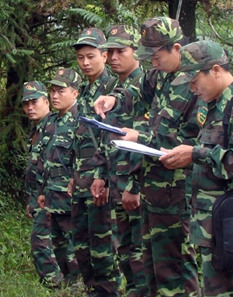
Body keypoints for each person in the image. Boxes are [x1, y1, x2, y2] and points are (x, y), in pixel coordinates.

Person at [94, 17, 201, 296]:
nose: (152, 63)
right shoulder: (159, 76)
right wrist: (114, 99)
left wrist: (139, 138)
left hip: (178, 190)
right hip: (154, 187)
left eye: (156, 57)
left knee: (177, 265)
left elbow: (193, 140)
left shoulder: (195, 82)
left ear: (176, 48)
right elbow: (136, 92)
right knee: (153, 266)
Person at [160, 40, 233, 296]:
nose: (192, 89)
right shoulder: (214, 106)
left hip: (230, 222)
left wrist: (196, 154)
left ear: (215, 70)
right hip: (210, 223)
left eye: (195, 81)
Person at [70, 28, 120, 297]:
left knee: (103, 249)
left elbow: (112, 138)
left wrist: (108, 179)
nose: (85, 63)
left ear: (104, 55)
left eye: (91, 56)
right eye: (80, 58)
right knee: (82, 245)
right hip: (82, 181)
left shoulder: (113, 89)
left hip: (102, 182)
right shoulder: (85, 92)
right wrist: (74, 176)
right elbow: (81, 140)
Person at [97, 25, 147, 296]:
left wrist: (134, 186)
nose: (114, 57)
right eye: (110, 51)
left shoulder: (145, 84)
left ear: (135, 52)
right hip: (116, 181)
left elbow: (146, 142)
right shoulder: (112, 86)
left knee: (140, 252)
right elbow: (107, 137)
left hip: (135, 182)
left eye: (121, 51)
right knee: (125, 249)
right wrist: (103, 176)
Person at [38, 69, 83, 287]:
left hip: (71, 194)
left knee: (74, 244)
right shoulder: (50, 122)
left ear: (75, 93)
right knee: (57, 244)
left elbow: (85, 157)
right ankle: (66, 285)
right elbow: (43, 159)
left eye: (61, 91)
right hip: (52, 193)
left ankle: (77, 286)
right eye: (52, 91)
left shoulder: (81, 121)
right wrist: (41, 191)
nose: (55, 96)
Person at [21, 80, 62, 287]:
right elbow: (36, 169)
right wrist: (32, 199)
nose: (29, 108)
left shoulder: (54, 126)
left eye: (34, 102)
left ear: (46, 102)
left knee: (42, 243)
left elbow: (55, 166)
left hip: (53, 197)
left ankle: (55, 284)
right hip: (39, 198)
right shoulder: (37, 129)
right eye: (26, 104)